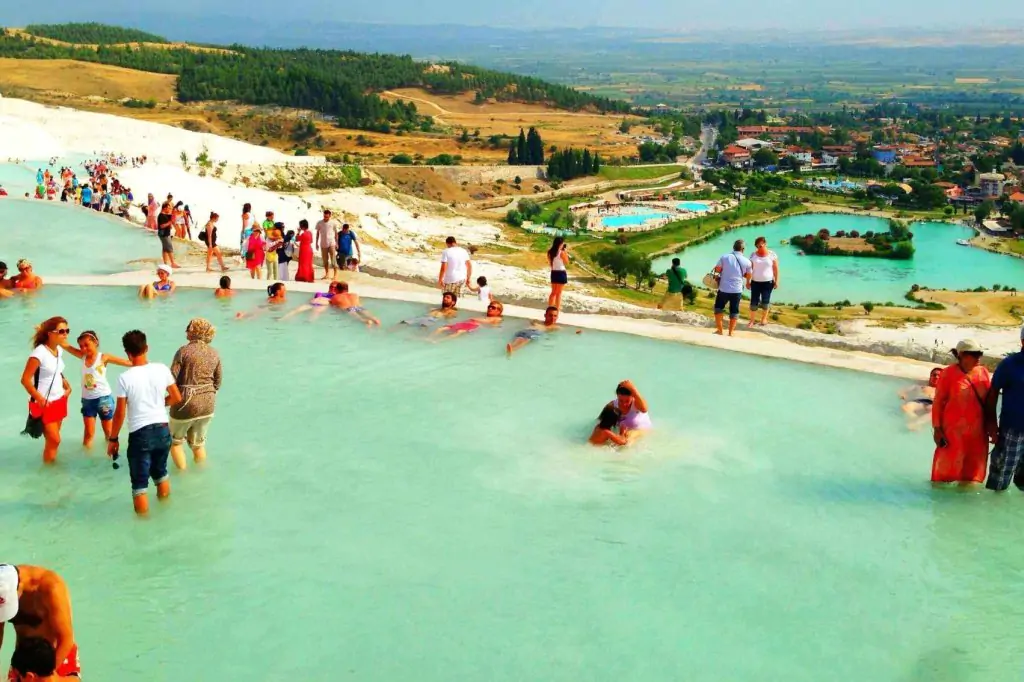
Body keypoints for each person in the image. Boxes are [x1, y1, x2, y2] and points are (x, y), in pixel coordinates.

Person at [107, 330, 182, 515]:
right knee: (161, 473)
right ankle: (165, 512)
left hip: (141, 434)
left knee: (140, 484)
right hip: (163, 429)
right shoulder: (161, 368)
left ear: (127, 352)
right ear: (146, 348)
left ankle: (143, 526)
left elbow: (120, 413)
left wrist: (113, 439)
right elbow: (176, 397)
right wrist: (159, 403)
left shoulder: (124, 378)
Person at [0, 564, 79, 681]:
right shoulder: (2, 587)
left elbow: (67, 639)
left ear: (18, 586)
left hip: (55, 655)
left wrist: (45, 676)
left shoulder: (50, 588)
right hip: (23, 661)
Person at [931, 339, 992, 485]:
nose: (979, 357)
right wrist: (937, 429)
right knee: (944, 475)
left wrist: (992, 426)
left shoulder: (983, 372)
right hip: (953, 432)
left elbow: (990, 401)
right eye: (975, 354)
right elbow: (938, 402)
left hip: (978, 432)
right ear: (962, 355)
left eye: (980, 354)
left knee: (972, 477)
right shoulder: (948, 374)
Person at [60, 330, 131, 448]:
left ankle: (110, 458)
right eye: (81, 346)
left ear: (96, 342)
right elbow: (65, 345)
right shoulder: (82, 357)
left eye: (86, 345)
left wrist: (145, 365)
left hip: (104, 399)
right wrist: (45, 332)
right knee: (88, 435)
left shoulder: (103, 357)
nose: (83, 349)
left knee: (109, 433)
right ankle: (87, 462)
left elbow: (126, 362)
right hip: (87, 401)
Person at [169, 318, 222, 470]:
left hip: (186, 401)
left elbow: (171, 378)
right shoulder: (214, 353)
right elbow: (217, 382)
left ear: (193, 331)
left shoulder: (183, 351)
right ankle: (201, 472)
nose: (186, 330)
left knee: (175, 442)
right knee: (198, 444)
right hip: (208, 403)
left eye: (188, 327)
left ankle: (183, 477)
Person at [20, 317, 73, 464]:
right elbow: (25, 380)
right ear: (50, 333)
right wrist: (40, 398)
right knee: (55, 440)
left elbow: (55, 371)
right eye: (61, 331)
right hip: (44, 404)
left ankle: (51, 468)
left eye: (67, 330)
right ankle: (49, 471)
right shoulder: (39, 353)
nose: (65, 334)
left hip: (60, 399)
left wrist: (66, 385)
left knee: (52, 441)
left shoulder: (59, 350)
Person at [985, 327, 1024, 491]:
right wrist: (992, 425)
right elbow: (993, 393)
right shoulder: (1009, 364)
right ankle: (993, 510)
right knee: (1000, 479)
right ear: (1023, 341)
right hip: (1012, 431)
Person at [712, 239, 753, 337]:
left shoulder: (724, 257)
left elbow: (717, 269)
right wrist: (747, 283)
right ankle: (731, 332)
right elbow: (748, 275)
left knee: (718, 309)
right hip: (737, 289)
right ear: (743, 249)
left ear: (733, 247)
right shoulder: (747, 261)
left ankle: (720, 330)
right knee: (734, 311)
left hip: (723, 288)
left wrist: (716, 277)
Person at [748, 236, 780, 327]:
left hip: (768, 282)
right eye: (757, 246)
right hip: (755, 282)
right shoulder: (752, 255)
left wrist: (777, 281)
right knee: (754, 302)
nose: (759, 247)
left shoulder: (772, 254)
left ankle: (763, 319)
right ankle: (752, 321)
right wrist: (748, 281)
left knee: (765, 302)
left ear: (765, 244)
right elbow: (749, 269)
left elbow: (776, 269)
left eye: (761, 245)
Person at [431, 300, 503, 340]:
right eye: (489, 306)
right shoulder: (485, 315)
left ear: (499, 311)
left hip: (474, 325)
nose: (490, 308)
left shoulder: (497, 318)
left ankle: (438, 341)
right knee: (441, 328)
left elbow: (495, 327)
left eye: (493, 307)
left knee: (459, 332)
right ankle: (429, 338)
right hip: (467, 323)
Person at [156, 199, 179, 269]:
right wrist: (170, 222)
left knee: (165, 249)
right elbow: (162, 226)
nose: (169, 209)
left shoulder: (166, 214)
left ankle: (165, 262)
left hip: (165, 233)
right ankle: (172, 263)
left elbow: (173, 216)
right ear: (164, 208)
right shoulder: (161, 216)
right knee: (169, 248)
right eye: (168, 208)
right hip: (164, 234)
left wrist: (174, 212)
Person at [547, 237, 570, 310]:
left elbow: (551, 264)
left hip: (554, 272)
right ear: (560, 244)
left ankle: (550, 309)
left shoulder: (550, 252)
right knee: (559, 293)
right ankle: (557, 311)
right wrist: (565, 252)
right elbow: (567, 262)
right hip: (561, 272)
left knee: (553, 293)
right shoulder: (561, 252)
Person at [315, 210, 338, 280]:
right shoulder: (319, 223)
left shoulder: (333, 223)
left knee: (333, 260)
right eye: (324, 216)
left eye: (327, 217)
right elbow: (318, 233)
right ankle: (327, 274)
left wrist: (337, 243)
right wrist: (316, 243)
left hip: (331, 243)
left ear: (330, 216)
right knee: (325, 260)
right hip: (323, 244)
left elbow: (336, 233)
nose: (325, 218)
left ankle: (335, 274)